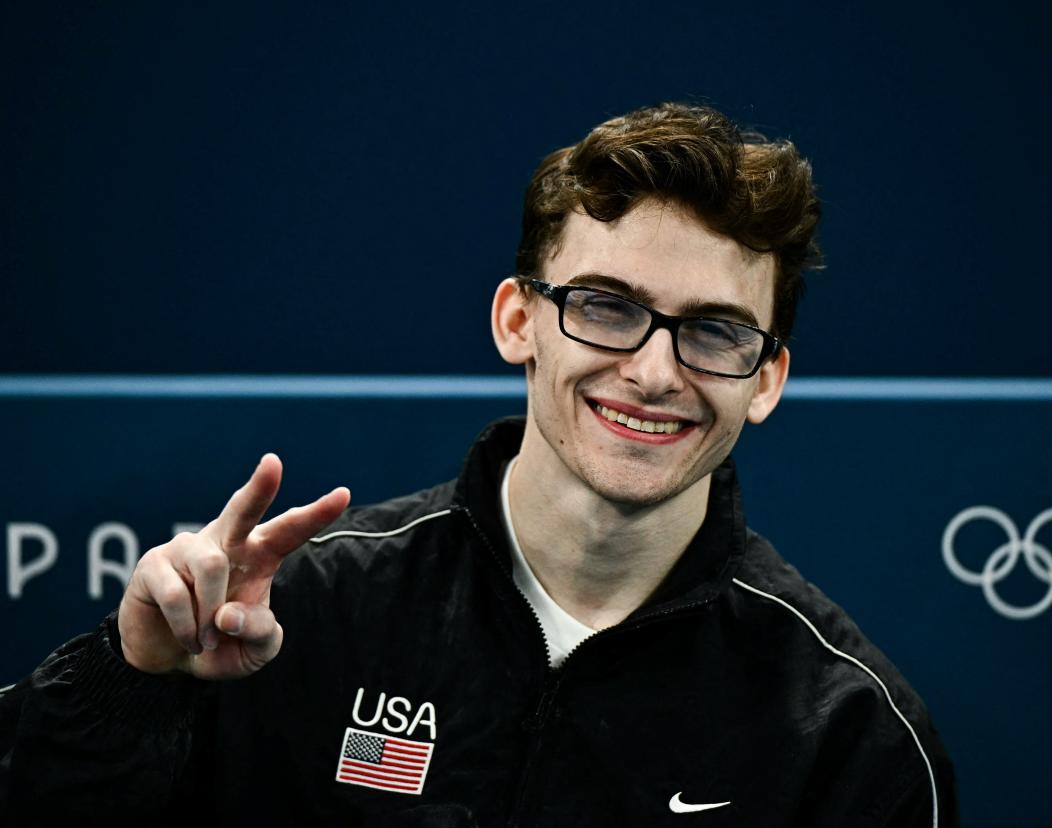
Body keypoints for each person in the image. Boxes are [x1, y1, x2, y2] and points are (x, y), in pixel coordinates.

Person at [0, 102, 957, 826]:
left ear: (767, 378)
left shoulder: (846, 733)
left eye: (713, 330)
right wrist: (132, 678)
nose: (654, 371)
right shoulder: (296, 619)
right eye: (607, 306)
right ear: (517, 320)